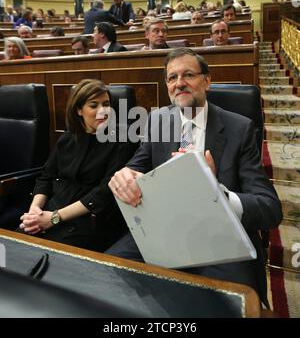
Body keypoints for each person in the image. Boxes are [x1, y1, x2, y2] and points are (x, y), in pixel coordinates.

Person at [107, 47, 282, 307]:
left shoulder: (239, 128)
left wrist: (215, 192)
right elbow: (137, 166)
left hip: (218, 237)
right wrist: (124, 177)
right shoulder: (157, 121)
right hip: (163, 230)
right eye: (172, 77)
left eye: (188, 75)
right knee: (108, 276)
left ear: (207, 81)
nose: (179, 83)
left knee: (232, 304)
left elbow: (270, 208)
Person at [19, 79, 138, 251]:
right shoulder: (67, 138)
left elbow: (104, 193)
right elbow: (46, 177)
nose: (103, 111)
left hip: (88, 221)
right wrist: (34, 211)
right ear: (79, 110)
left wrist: (53, 218)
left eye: (106, 104)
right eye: (94, 105)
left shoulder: (122, 140)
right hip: (49, 213)